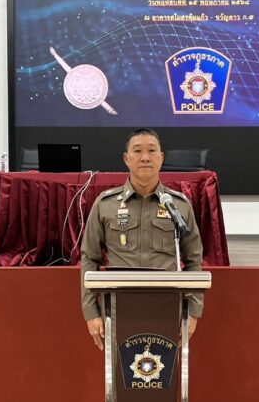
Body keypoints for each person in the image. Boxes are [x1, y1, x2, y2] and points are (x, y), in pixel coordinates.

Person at [80, 128, 204, 350]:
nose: (145, 157)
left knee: (163, 370)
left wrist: (192, 312)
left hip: (168, 310)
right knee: (120, 371)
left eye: (152, 151)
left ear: (161, 158)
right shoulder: (105, 204)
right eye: (137, 151)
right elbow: (89, 258)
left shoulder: (179, 206)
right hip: (118, 310)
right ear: (126, 159)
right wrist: (91, 312)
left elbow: (193, 260)